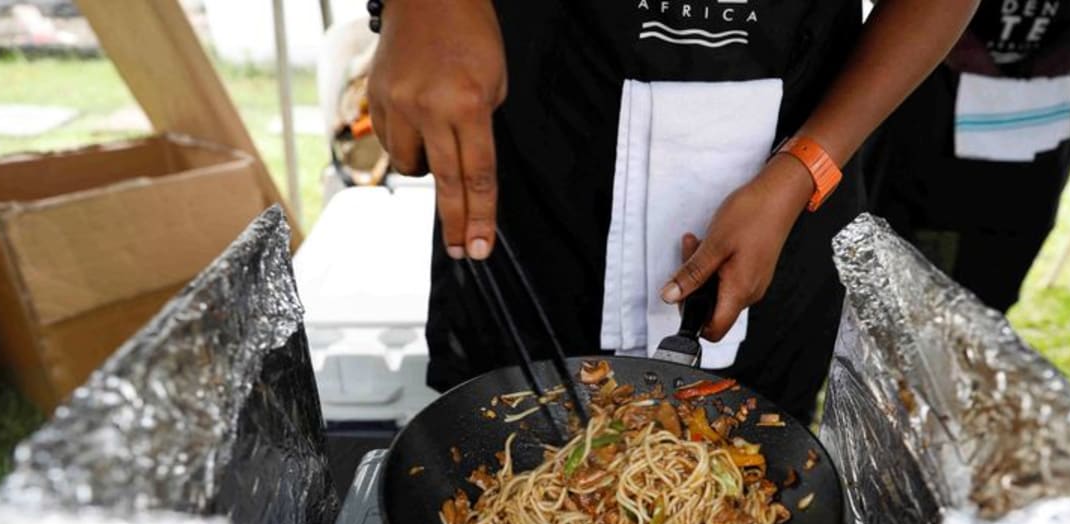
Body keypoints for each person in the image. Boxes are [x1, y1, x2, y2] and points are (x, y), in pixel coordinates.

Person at [366, 0, 978, 424]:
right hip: (537, 184)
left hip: (784, 201)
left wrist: (805, 169)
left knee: (747, 498)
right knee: (499, 466)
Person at [864, 0, 1070, 313]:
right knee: (901, 264)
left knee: (999, 265)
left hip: (1043, 102)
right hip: (932, 100)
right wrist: (944, 33)